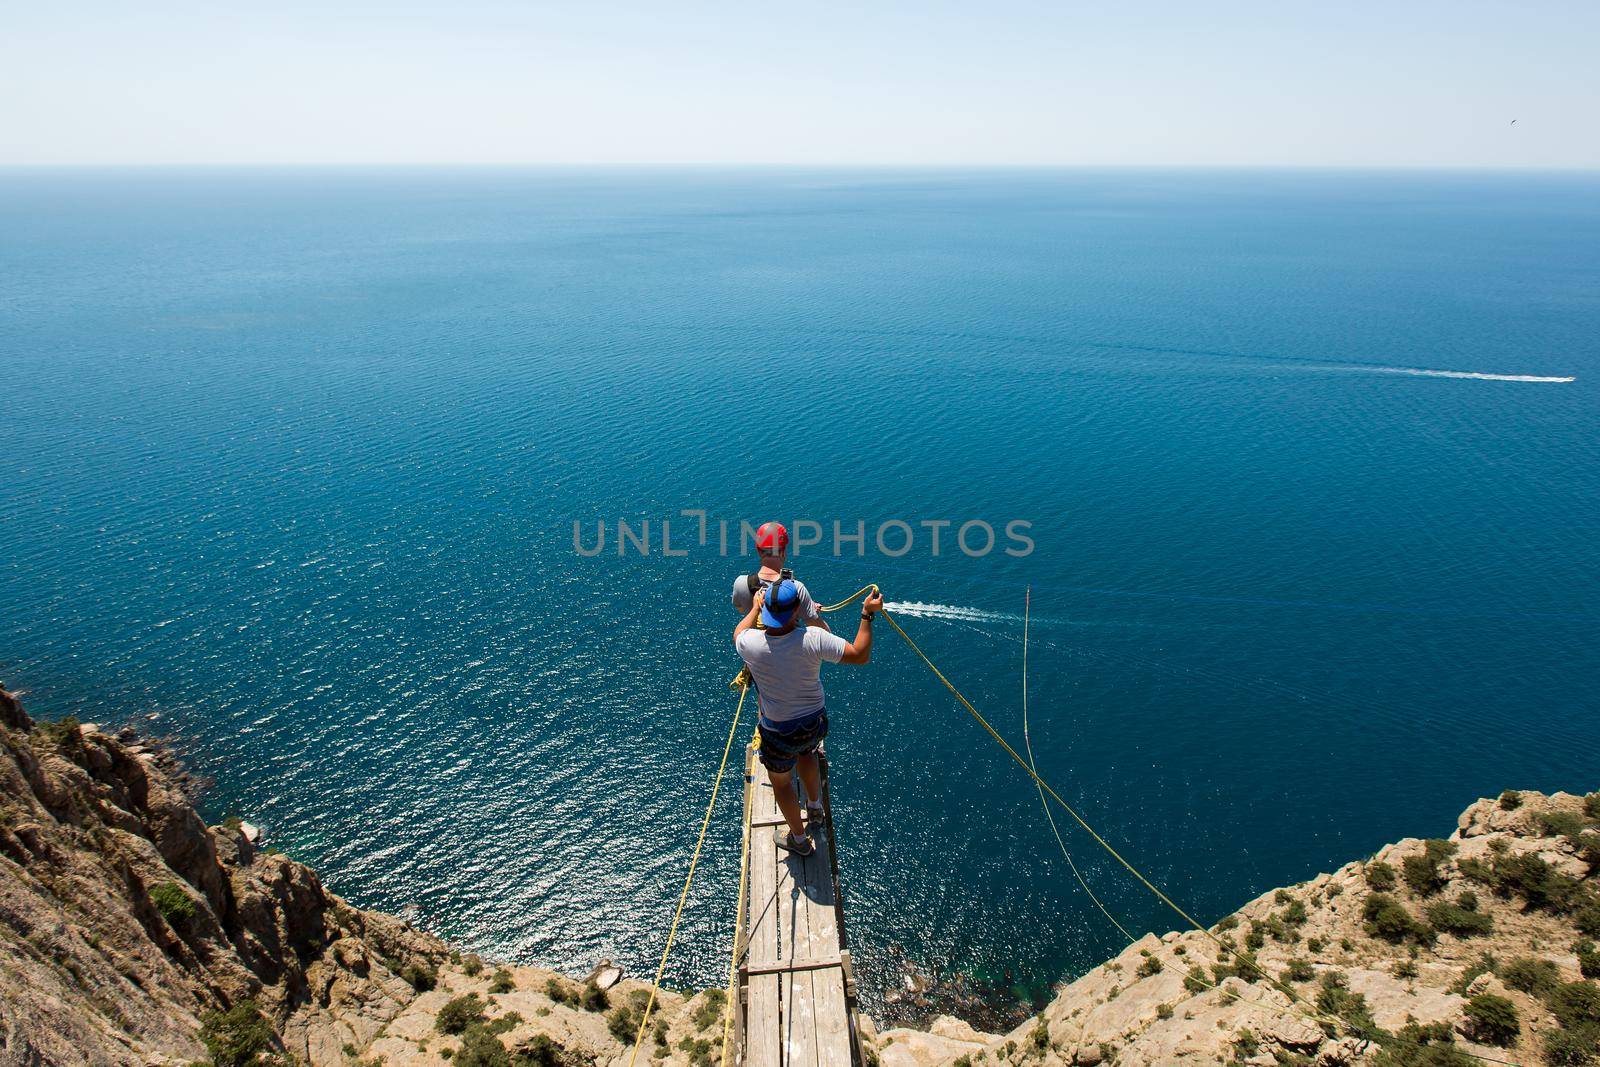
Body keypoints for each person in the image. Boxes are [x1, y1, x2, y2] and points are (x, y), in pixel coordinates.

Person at [734, 577, 882, 856]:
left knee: (781, 784)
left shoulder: (751, 644)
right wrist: (867, 614)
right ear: (796, 611)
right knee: (808, 754)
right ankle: (814, 809)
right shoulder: (813, 639)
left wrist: (755, 608)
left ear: (766, 610)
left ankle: (799, 841)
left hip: (777, 731)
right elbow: (860, 654)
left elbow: (739, 631)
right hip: (814, 723)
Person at [731, 521, 829, 631]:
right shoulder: (796, 588)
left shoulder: (741, 583)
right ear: (783, 552)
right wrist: (806, 607)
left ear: (758, 551)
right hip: (790, 646)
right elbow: (824, 632)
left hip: (754, 646)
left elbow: (740, 608)